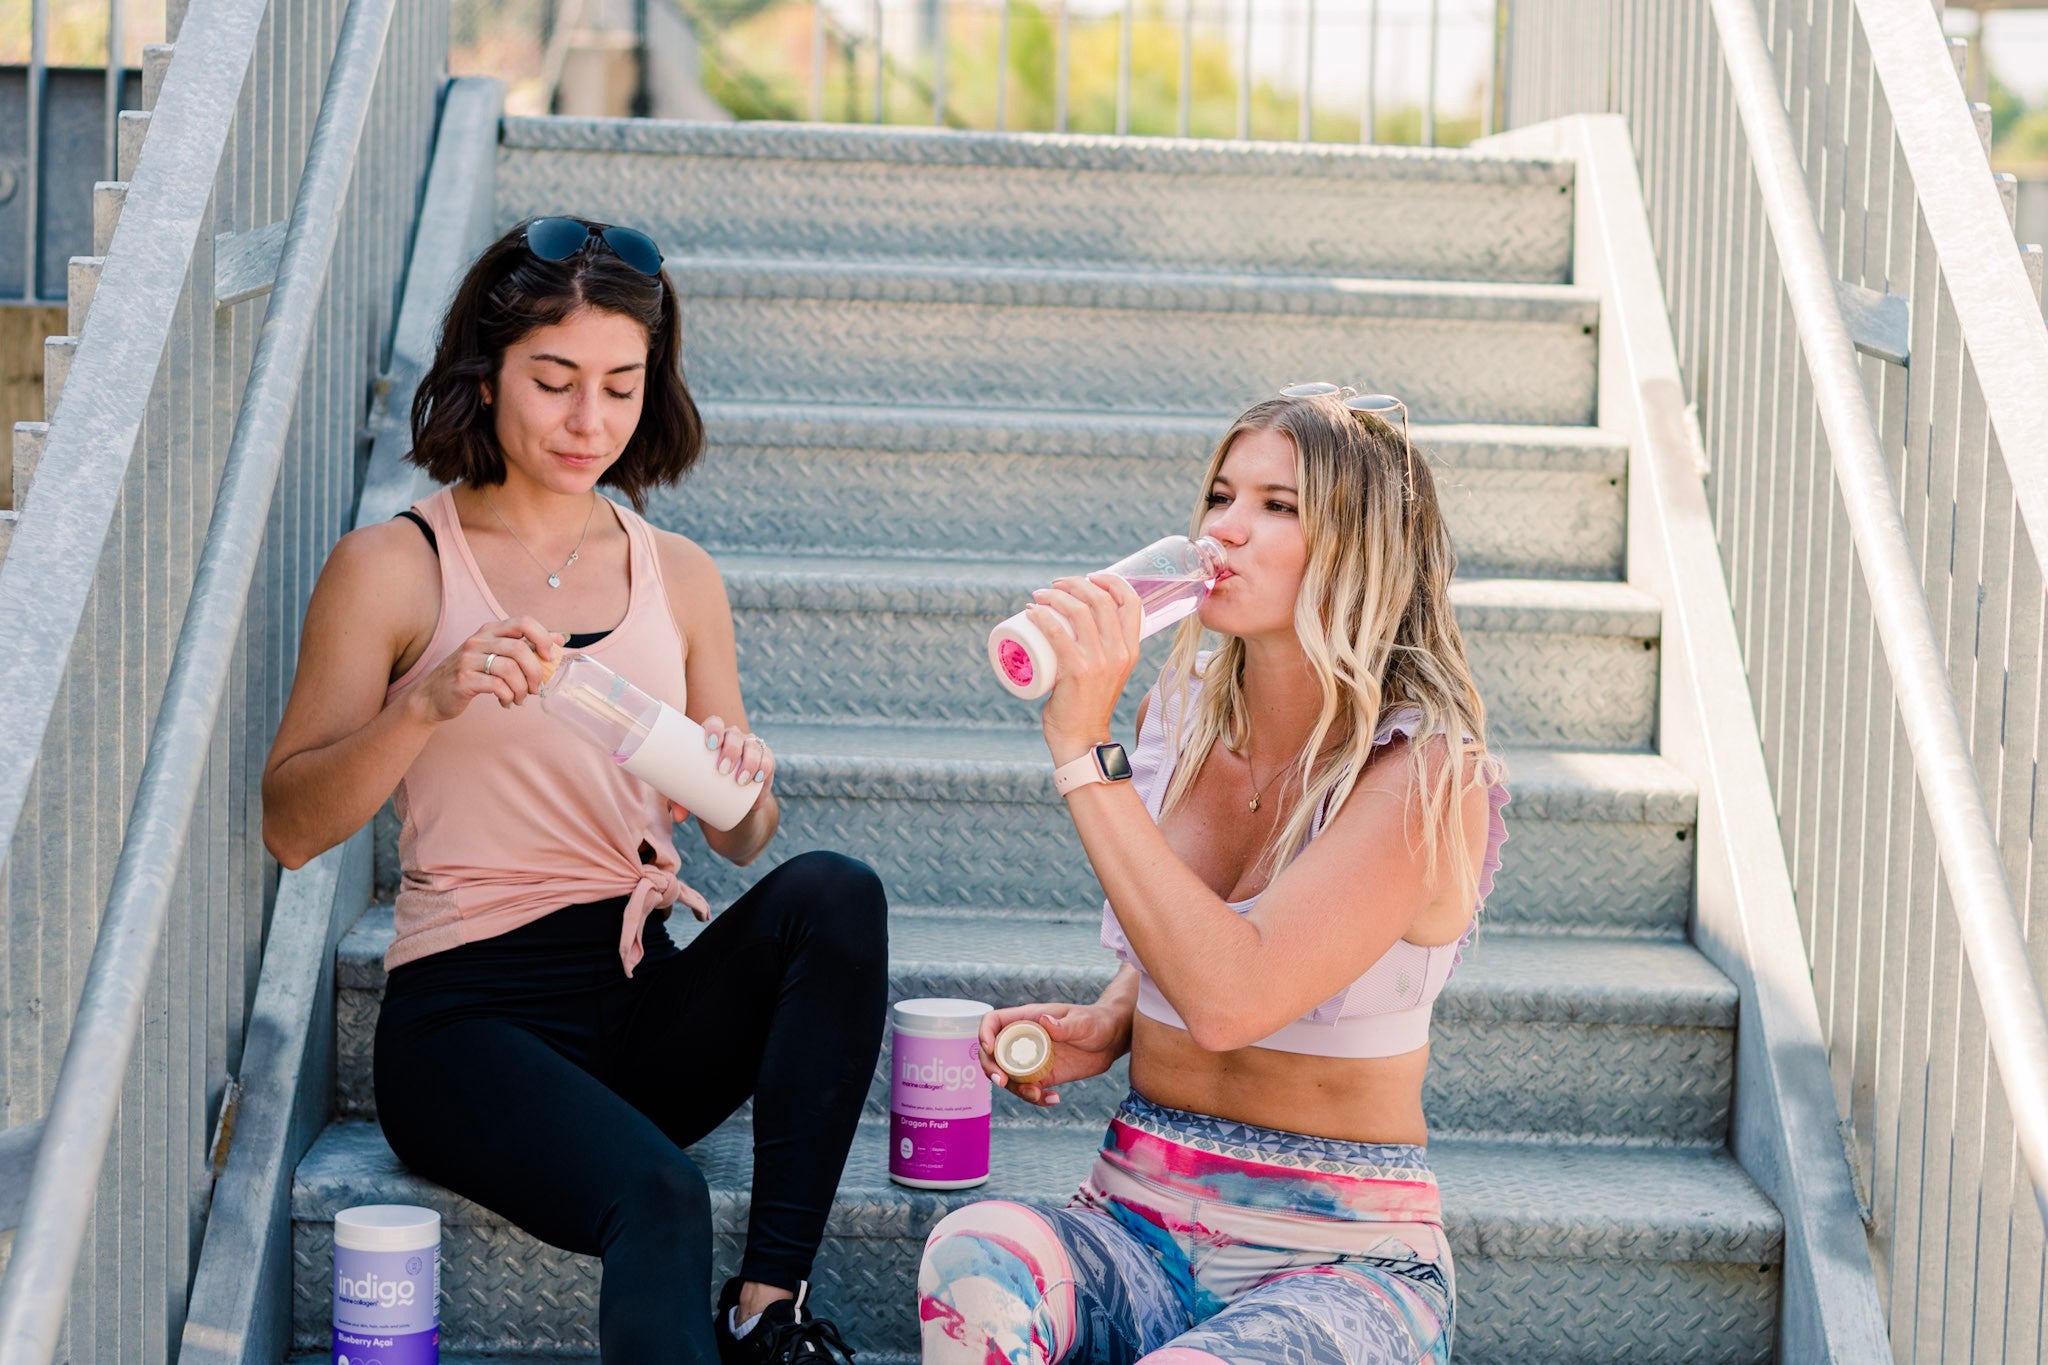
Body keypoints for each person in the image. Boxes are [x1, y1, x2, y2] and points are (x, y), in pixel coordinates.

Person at [262, 216, 886, 1364]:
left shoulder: (679, 574)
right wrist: (424, 703)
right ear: (487, 371)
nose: (587, 420)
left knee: (834, 892)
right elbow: (292, 826)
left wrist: (734, 779)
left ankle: (768, 1314)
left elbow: (747, 840)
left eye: (619, 386)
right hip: (467, 1020)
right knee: (660, 1197)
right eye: (553, 381)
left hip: (639, 994)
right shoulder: (394, 567)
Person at [917, 385, 1511, 1365]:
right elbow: (1186, 933)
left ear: (1360, 546)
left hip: (1339, 1259)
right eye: (1219, 496)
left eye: (1278, 506)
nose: (1223, 531)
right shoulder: (1181, 714)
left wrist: (1077, 746)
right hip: (1134, 1215)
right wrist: (1112, 1018)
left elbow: (1233, 994)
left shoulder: (1425, 773)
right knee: (972, 1258)